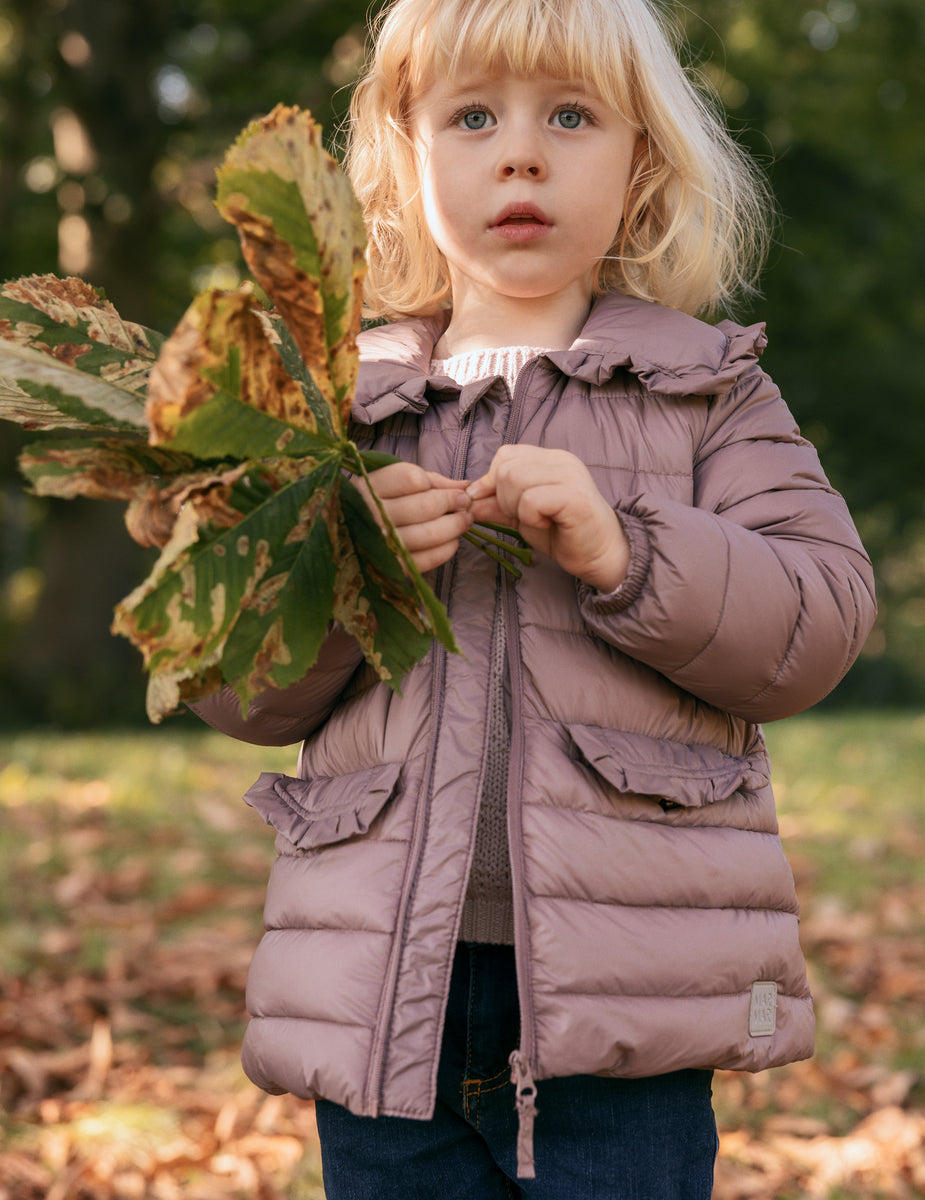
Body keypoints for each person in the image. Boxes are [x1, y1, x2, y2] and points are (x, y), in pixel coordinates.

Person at [191, 0, 877, 1195]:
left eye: (570, 115)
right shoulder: (331, 413)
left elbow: (819, 618)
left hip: (621, 1000)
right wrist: (345, 573)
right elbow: (227, 679)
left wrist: (631, 552)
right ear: (406, 159)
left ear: (640, 162)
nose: (522, 153)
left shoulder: (705, 394)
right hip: (386, 990)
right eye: (472, 116)